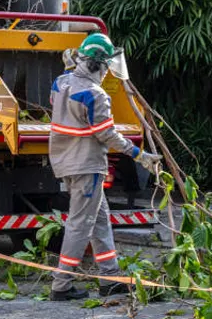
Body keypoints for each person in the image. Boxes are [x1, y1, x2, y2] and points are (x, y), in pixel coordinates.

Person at [49, 33, 162, 301]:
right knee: (80, 225)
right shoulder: (95, 95)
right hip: (86, 166)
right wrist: (139, 154)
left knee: (99, 220)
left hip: (66, 162)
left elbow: (62, 97)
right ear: (96, 65)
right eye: (105, 66)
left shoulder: (60, 82)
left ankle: (109, 278)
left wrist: (72, 66)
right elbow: (107, 135)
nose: (106, 72)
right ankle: (61, 285)